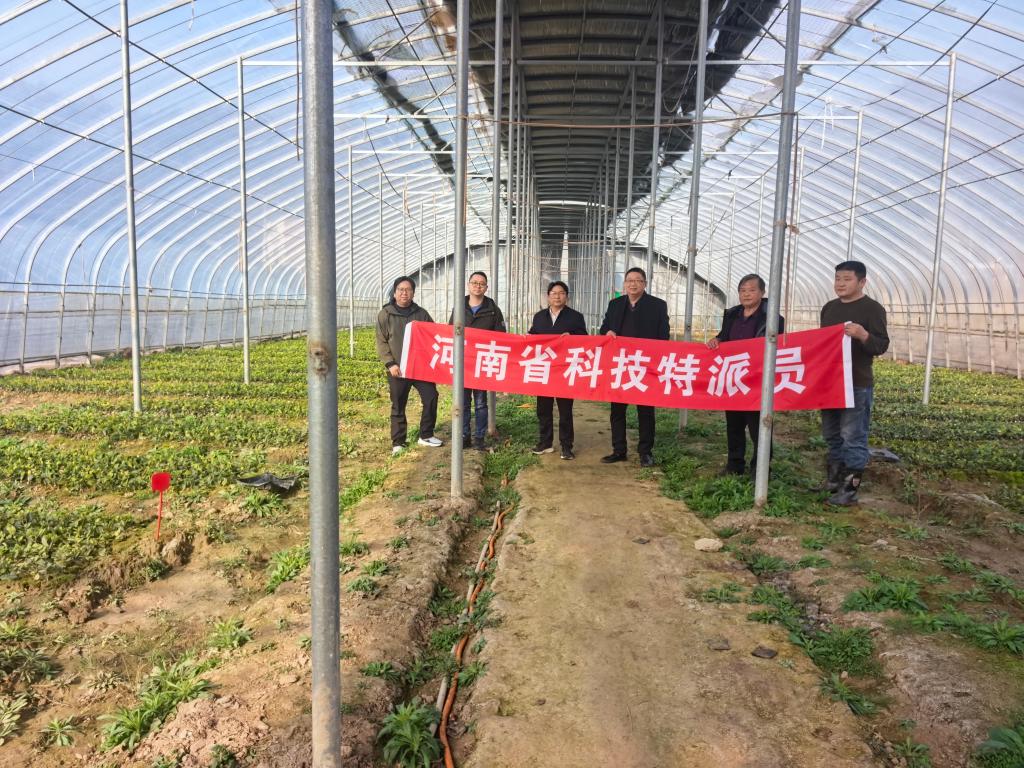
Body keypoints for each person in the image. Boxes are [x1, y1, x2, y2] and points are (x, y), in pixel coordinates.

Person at [819, 260, 889, 505]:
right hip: (830, 382)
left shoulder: (872, 309)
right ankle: (834, 481)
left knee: (853, 436)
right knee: (831, 434)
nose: (840, 283)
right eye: (838, 278)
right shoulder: (829, 308)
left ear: (862, 282)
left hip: (856, 383)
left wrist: (863, 335)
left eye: (847, 279)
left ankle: (849, 491)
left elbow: (881, 345)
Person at [707, 274, 784, 477]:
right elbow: (724, 336)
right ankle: (734, 465)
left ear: (762, 292)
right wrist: (717, 340)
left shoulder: (772, 317)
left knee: (759, 426)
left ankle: (760, 469)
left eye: (751, 290)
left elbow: (778, 345)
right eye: (742, 291)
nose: (746, 294)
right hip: (734, 378)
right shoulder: (732, 314)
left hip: (758, 381)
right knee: (734, 425)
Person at [598, 267, 670, 467]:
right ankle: (618, 450)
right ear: (625, 284)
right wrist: (608, 332)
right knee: (617, 410)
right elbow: (604, 328)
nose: (633, 284)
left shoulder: (657, 305)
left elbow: (663, 335)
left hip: (645, 365)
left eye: (638, 280)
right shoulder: (615, 304)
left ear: (644, 284)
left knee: (645, 411)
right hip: (620, 365)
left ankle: (645, 452)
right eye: (629, 280)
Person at [376, 276, 443, 456]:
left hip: (420, 367)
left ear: (413, 293)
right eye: (400, 289)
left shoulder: (421, 314)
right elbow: (381, 341)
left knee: (431, 397)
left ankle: (426, 435)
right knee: (398, 404)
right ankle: (398, 442)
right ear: (394, 293)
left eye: (408, 290)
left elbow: (433, 334)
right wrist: (390, 363)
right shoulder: (386, 314)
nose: (404, 293)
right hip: (398, 368)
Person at [528, 281, 588, 460]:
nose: (557, 296)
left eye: (561, 293)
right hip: (545, 370)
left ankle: (566, 446)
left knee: (565, 410)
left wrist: (573, 337)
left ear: (566, 297)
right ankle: (545, 443)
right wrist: (527, 337)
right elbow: (532, 335)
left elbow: (585, 339)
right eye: (553, 293)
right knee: (543, 409)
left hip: (565, 371)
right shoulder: (539, 317)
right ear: (548, 296)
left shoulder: (575, 317)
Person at [449, 271, 506, 451]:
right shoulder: (459, 306)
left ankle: (479, 437)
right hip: (463, 362)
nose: (477, 286)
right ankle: (464, 435)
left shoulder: (492, 309)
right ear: (468, 285)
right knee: (463, 402)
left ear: (486, 287)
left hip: (482, 363)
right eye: (474, 282)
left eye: (481, 283)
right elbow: (451, 331)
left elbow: (501, 335)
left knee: (481, 403)